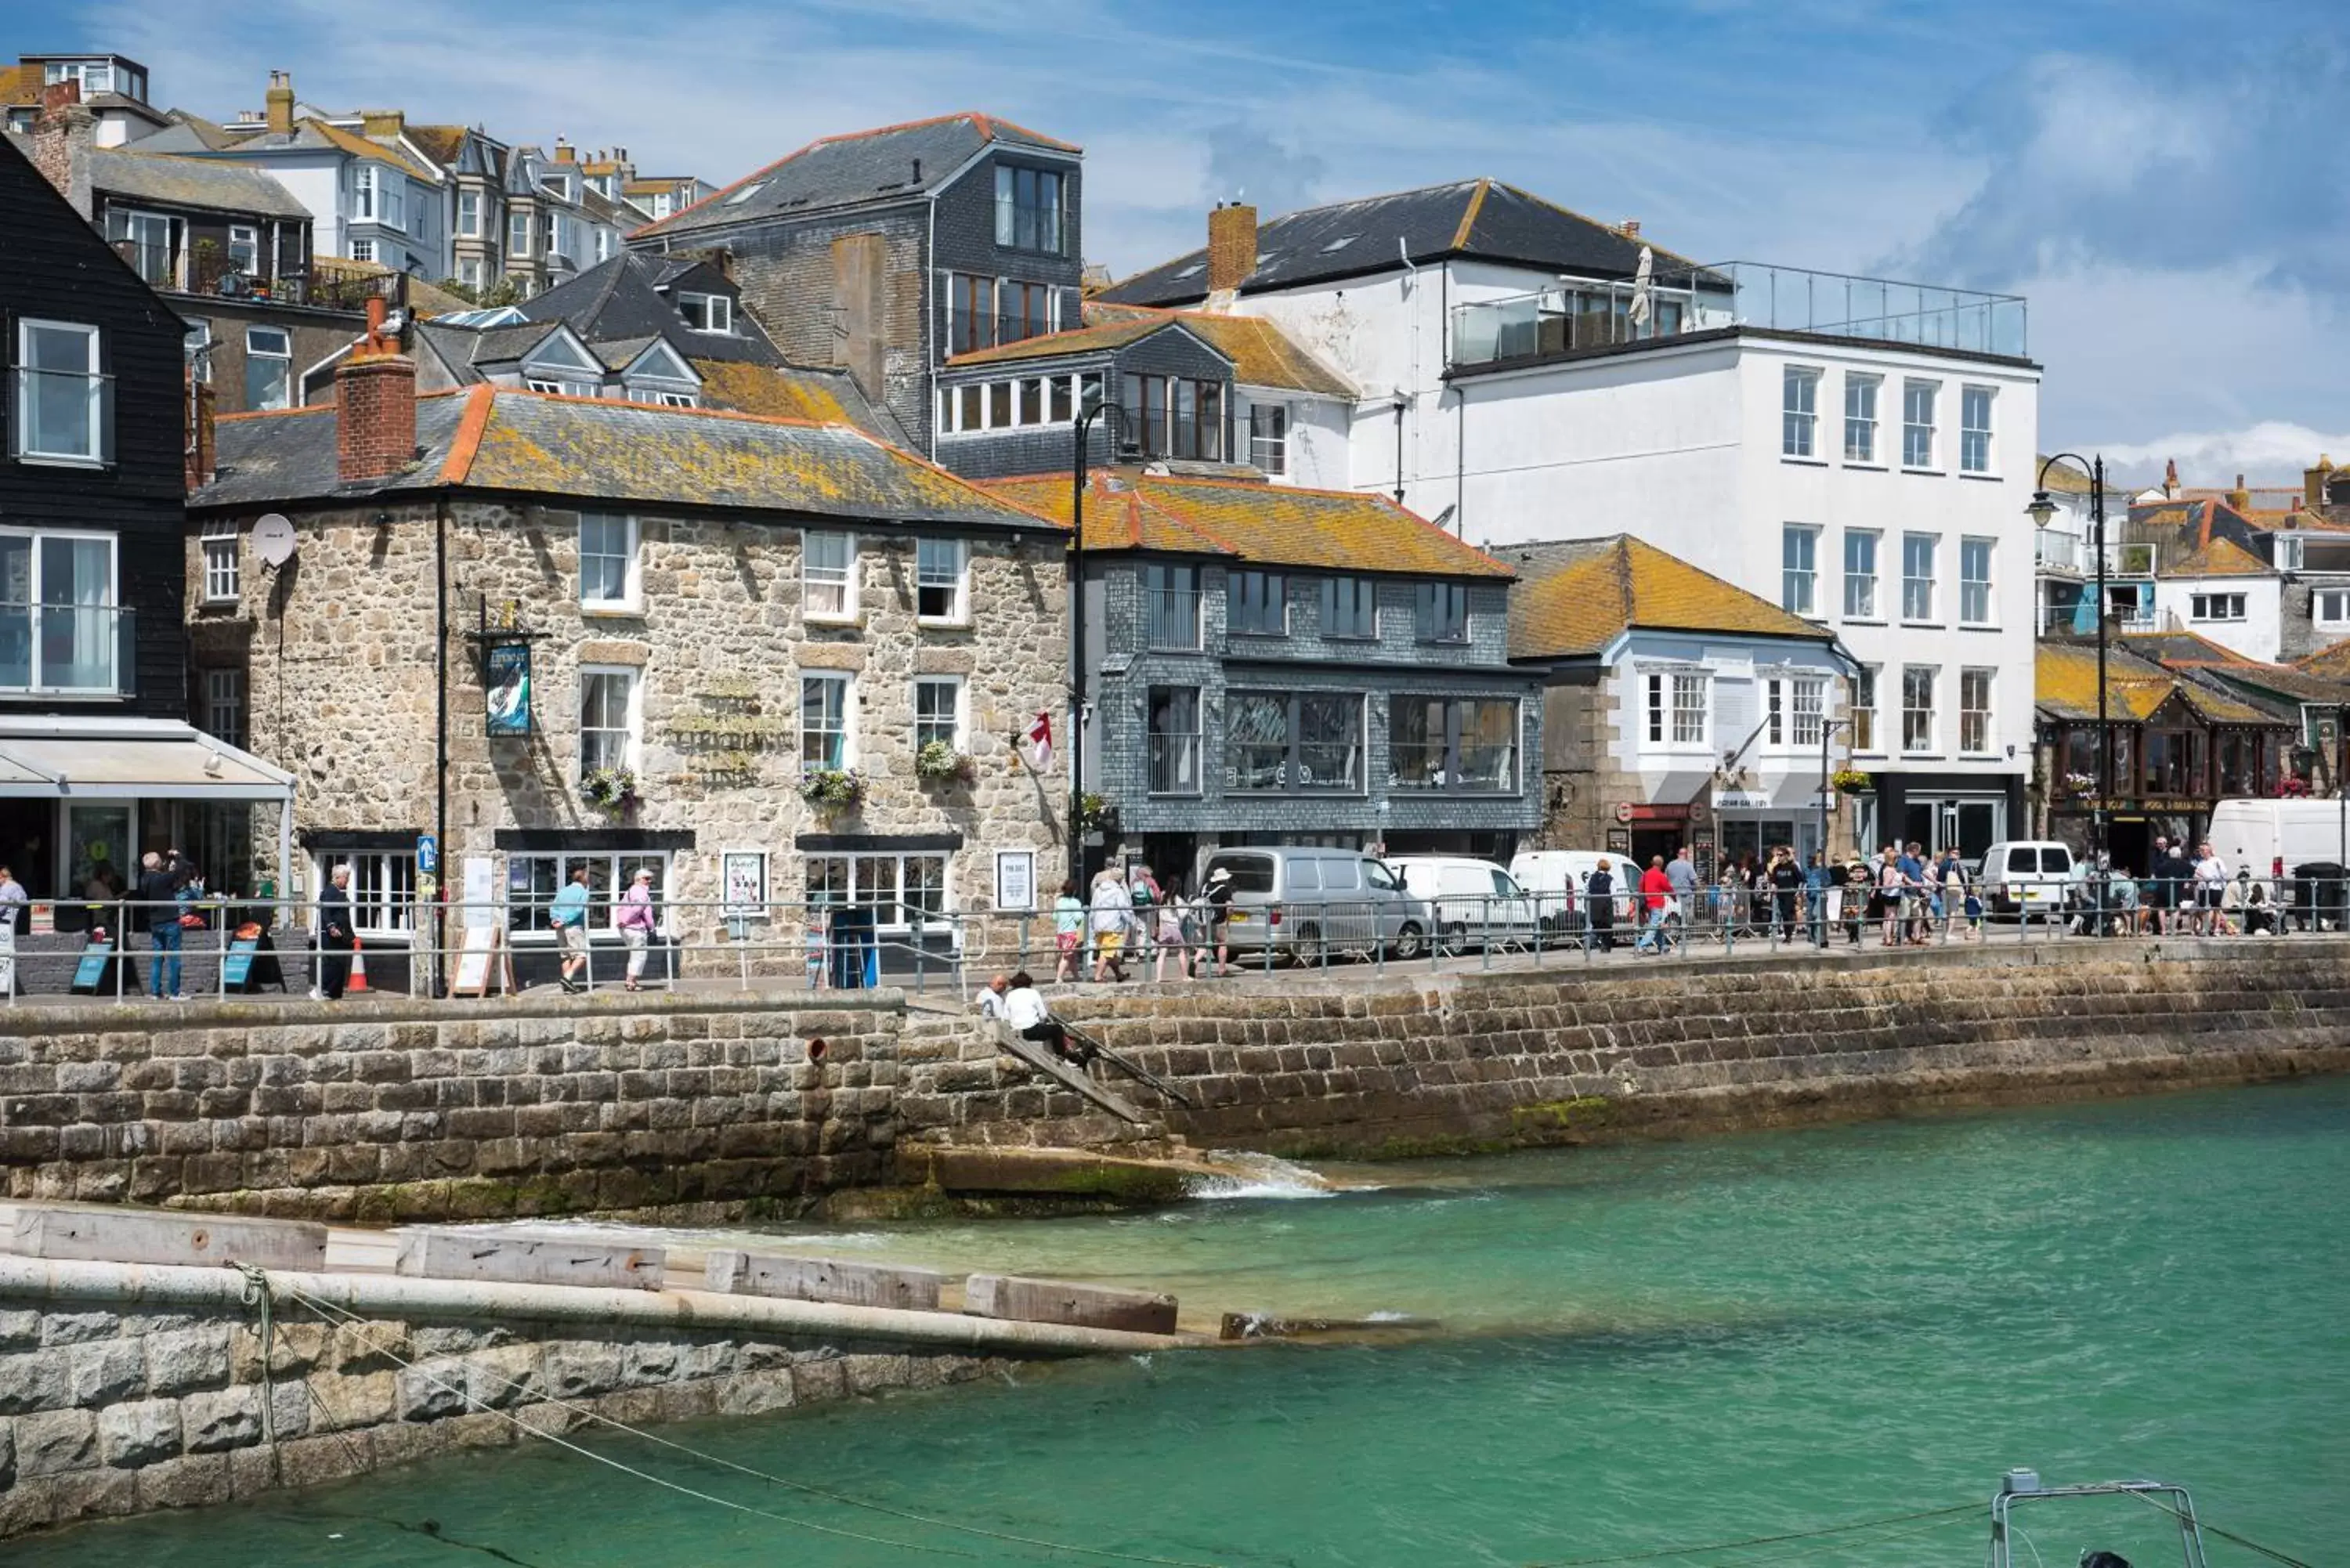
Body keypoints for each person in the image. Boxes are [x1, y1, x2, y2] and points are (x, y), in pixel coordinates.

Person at [1002, 970, 1089, 1063]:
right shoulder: (1033, 993)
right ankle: (1061, 1055)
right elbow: (1043, 1015)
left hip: (1017, 1031)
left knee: (1050, 1029)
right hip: (1031, 1031)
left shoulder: (1010, 995)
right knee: (1057, 1028)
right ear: (1029, 983)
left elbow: (1005, 1017)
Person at [140, 851, 183, 1000]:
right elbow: (179, 872)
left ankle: (155, 992)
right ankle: (175, 992)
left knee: (158, 957)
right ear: (157, 864)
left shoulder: (144, 880)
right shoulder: (162, 879)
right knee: (174, 958)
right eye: (160, 860)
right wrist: (177, 857)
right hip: (170, 921)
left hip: (155, 922)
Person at [550, 865, 593, 992]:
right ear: (584, 880)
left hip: (559, 927)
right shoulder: (583, 892)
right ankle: (567, 979)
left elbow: (553, 907)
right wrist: (565, 920)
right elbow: (579, 909)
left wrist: (555, 920)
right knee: (582, 954)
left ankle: (567, 987)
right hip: (573, 926)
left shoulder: (563, 891)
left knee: (565, 956)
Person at [316, 864, 356, 1001]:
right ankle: (325, 991)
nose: (348, 881)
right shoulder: (330, 892)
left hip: (339, 936)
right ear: (337, 877)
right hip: (331, 936)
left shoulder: (336, 892)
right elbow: (325, 911)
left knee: (338, 965)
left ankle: (333, 994)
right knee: (334, 963)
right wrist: (331, 927)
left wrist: (350, 935)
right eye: (346, 877)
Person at [617, 866, 658, 992]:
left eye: (651, 879)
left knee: (635, 954)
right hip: (635, 928)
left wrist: (623, 921)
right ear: (638, 879)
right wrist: (652, 928)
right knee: (639, 955)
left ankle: (632, 980)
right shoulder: (640, 891)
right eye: (647, 879)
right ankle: (630, 981)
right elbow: (641, 910)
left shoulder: (631, 891)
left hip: (626, 928)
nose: (649, 881)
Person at [1089, 866, 1132, 983]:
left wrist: (1092, 925)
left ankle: (1119, 974)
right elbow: (1124, 908)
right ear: (1121, 880)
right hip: (1112, 926)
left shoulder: (1099, 890)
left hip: (1099, 925)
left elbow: (1093, 907)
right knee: (1107, 953)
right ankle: (1098, 976)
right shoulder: (1118, 891)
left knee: (1111, 953)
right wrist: (1131, 920)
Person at [1155, 876, 1192, 982]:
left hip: (1164, 927)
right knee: (1181, 951)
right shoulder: (1178, 900)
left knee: (1162, 953)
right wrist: (1188, 907)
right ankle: (1185, 976)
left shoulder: (1162, 896)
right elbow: (1182, 914)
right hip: (1174, 928)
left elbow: (1159, 911)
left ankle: (1158, 978)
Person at [1635, 855, 1672, 954]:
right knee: (1654, 926)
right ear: (1661, 864)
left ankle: (1662, 946)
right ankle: (1641, 946)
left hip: (1648, 903)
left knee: (1657, 925)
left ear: (1652, 863)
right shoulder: (1661, 875)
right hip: (1657, 903)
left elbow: (1640, 887)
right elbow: (1668, 888)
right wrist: (1674, 897)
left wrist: (1641, 900)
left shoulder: (1646, 874)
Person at [2191, 840, 2228, 937]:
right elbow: (2196, 874)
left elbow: (2224, 873)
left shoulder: (2217, 860)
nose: (2200, 852)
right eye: (2200, 850)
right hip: (2203, 888)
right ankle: (2207, 927)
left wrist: (2205, 877)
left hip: (2215, 888)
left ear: (2208, 851)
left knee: (2215, 908)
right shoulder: (2201, 863)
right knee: (2204, 909)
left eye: (2202, 850)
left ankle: (2214, 929)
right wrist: (2199, 877)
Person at [1052, 880, 1086, 983]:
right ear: (1075, 891)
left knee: (1072, 956)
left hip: (1061, 933)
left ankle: (1076, 976)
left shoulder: (1060, 902)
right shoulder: (1075, 903)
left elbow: (1055, 917)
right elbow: (1078, 919)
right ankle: (1059, 978)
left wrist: (1055, 902)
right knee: (1067, 956)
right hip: (1070, 933)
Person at [1204, 866, 1236, 974]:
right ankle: (1222, 969)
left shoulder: (1205, 888)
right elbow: (1230, 907)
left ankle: (1194, 961)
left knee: (1205, 943)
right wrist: (1228, 918)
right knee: (1222, 944)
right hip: (1220, 920)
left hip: (1205, 920)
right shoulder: (1224, 889)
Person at [1768, 848, 1803, 941]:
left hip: (1790, 893)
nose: (1779, 857)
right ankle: (1788, 935)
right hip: (1780, 894)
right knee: (1784, 914)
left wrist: (1798, 891)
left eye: (1781, 855)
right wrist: (1772, 889)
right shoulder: (1776, 868)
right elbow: (1774, 881)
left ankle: (1789, 935)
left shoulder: (1793, 867)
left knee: (1788, 914)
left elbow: (1801, 880)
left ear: (1786, 856)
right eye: (1777, 855)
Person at [1666, 847, 1699, 934]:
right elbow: (1694, 880)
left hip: (1672, 895)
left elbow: (1665, 878)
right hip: (1686, 895)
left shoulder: (1670, 865)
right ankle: (1685, 933)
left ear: (1678, 854)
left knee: (1674, 914)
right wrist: (1698, 888)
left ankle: (1674, 932)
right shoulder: (1688, 865)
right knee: (1686, 915)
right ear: (1686, 855)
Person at [1585, 858, 1616, 953]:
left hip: (1593, 906)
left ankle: (1588, 943)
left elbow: (1586, 890)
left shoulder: (1592, 877)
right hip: (1605, 907)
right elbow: (1614, 894)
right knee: (1607, 928)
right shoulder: (1610, 879)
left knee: (1596, 927)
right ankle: (1605, 947)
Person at [1803, 851, 1831, 948]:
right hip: (1810, 895)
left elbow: (1828, 880)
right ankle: (1810, 936)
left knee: (1816, 915)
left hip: (1820, 895)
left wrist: (1822, 887)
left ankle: (1817, 936)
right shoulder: (1806, 870)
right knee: (1809, 916)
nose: (1809, 860)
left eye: (1811, 858)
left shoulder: (1822, 869)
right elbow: (1803, 880)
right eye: (1808, 858)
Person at [1842, 858, 1871, 946]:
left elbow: (1867, 896)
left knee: (1860, 921)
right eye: (1856, 872)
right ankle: (1851, 935)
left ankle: (1858, 936)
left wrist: (1865, 906)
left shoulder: (1866, 884)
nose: (1858, 874)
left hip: (1861, 905)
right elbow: (1846, 897)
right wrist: (1848, 906)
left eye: (1861, 872)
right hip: (1851, 905)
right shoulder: (1848, 885)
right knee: (1850, 921)